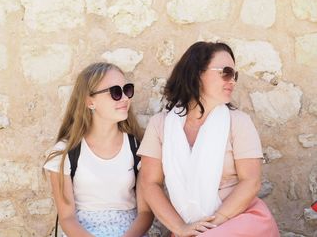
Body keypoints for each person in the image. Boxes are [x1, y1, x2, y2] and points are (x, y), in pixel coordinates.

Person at [138, 41, 280, 237]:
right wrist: (180, 228)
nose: (233, 81)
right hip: (189, 228)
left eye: (235, 75)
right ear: (196, 74)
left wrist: (212, 225)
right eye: (226, 72)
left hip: (239, 220)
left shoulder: (238, 122)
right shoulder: (159, 125)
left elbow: (251, 182)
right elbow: (149, 183)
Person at [44, 62, 153, 237]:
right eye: (116, 92)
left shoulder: (137, 147)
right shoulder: (65, 153)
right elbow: (67, 218)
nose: (125, 98)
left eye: (127, 89)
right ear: (90, 101)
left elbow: (146, 213)